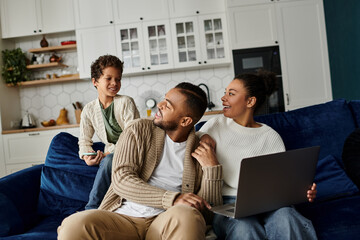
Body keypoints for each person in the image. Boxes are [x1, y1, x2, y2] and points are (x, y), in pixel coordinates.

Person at [58, 82, 223, 240]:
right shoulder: (138, 129)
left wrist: (211, 169)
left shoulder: (201, 148)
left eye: (168, 105)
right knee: (74, 224)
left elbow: (207, 212)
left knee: (188, 216)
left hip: (166, 221)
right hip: (123, 220)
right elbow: (121, 179)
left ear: (185, 121)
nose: (160, 104)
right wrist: (172, 198)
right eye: (164, 99)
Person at [197, 69, 318, 240]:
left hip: (268, 203)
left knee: (287, 218)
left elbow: (281, 183)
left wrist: (301, 191)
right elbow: (191, 157)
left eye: (231, 94)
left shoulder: (271, 137)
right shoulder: (213, 126)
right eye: (225, 93)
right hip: (227, 204)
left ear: (250, 101)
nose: (223, 98)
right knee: (245, 227)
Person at [78, 55, 140, 210]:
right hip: (111, 156)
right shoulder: (89, 109)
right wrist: (87, 157)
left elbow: (134, 137)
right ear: (95, 81)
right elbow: (84, 141)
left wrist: (106, 156)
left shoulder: (126, 102)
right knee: (109, 160)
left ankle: (91, 208)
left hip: (134, 153)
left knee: (109, 160)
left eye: (118, 79)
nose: (114, 83)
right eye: (109, 78)